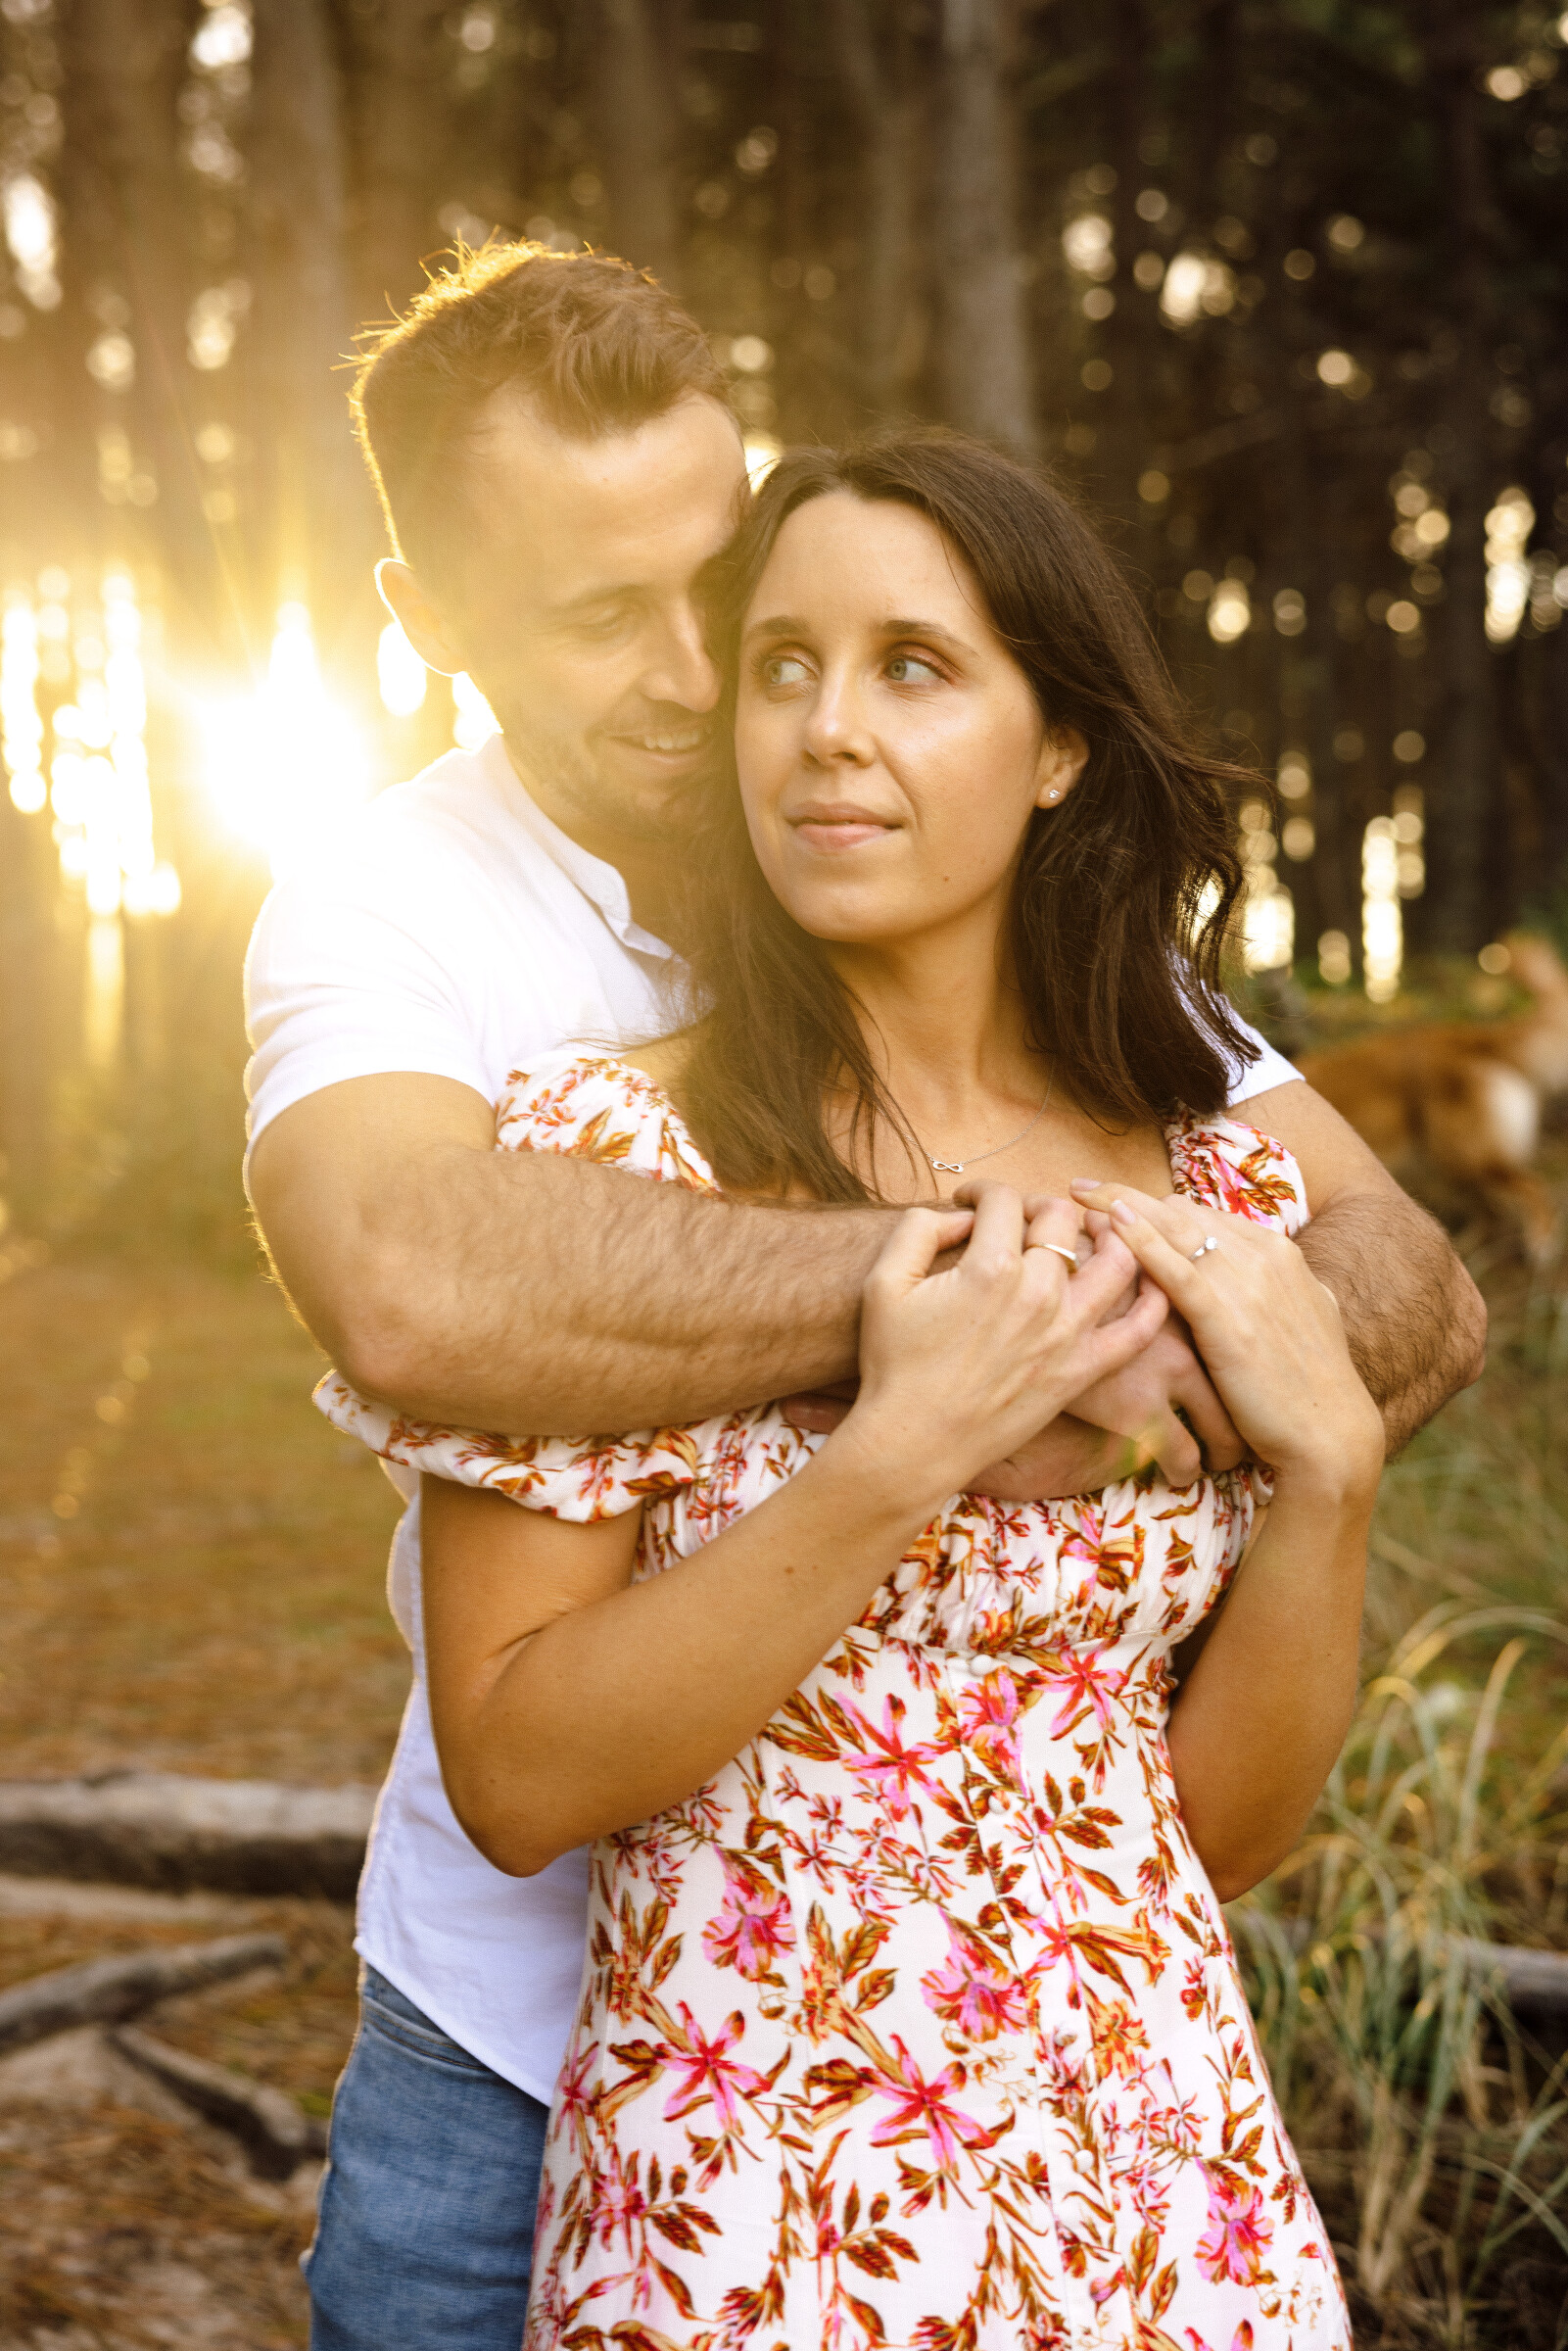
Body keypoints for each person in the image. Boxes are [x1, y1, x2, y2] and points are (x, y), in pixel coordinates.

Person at [243, 246, 1483, 2349]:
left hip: (1109, 2136)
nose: (709, 677)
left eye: (719, 589)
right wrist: (956, 1334)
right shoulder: (403, 911)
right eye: (604, 616)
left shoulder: (1063, 994)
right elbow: (408, 1282)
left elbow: (1396, 1283)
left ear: (1049, 745)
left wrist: (1167, 1360)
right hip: (564, 2057)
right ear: (428, 619)